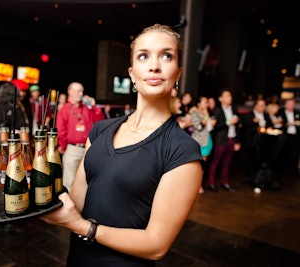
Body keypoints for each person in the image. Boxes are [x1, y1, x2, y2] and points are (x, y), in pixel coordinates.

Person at [42, 24, 203, 266]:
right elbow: (76, 201)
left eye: (166, 55)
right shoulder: (99, 130)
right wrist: (38, 199)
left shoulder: (182, 150)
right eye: (143, 56)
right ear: (131, 72)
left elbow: (156, 245)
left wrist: (81, 226)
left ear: (178, 73)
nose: (154, 65)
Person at [56, 82, 104, 191]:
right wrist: (62, 146)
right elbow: (61, 129)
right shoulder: (64, 109)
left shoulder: (86, 107)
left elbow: (100, 121)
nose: (81, 93)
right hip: (72, 149)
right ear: (70, 92)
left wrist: (93, 106)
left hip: (87, 148)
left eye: (82, 91)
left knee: (86, 182)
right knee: (70, 181)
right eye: (78, 91)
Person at [207, 89, 241, 192]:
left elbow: (238, 127)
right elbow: (215, 127)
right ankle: (211, 182)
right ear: (221, 99)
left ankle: (224, 182)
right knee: (215, 161)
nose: (230, 98)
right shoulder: (218, 110)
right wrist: (228, 122)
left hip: (231, 138)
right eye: (227, 96)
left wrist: (237, 141)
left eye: (230, 96)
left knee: (227, 163)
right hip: (221, 140)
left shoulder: (234, 109)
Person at [241, 98, 274, 182]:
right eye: (261, 105)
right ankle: (251, 177)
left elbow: (270, 125)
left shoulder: (266, 115)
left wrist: (269, 128)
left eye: (264, 105)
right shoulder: (249, 115)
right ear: (256, 106)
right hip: (252, 142)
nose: (263, 107)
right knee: (250, 160)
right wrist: (254, 123)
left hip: (264, 142)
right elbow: (245, 128)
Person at [190, 96, 216, 193]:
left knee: (202, 166)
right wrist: (205, 116)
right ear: (198, 104)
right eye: (205, 102)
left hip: (207, 140)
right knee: (196, 166)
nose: (207, 104)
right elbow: (199, 126)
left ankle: (198, 185)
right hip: (198, 142)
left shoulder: (207, 112)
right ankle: (195, 186)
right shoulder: (195, 113)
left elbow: (209, 127)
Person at [277, 98, 300, 177]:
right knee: (283, 152)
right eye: (290, 104)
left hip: (295, 136)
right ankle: (282, 171)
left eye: (293, 104)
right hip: (284, 136)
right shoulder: (280, 112)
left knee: (294, 153)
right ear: (285, 104)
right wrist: (285, 124)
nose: (292, 105)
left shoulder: (297, 113)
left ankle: (293, 171)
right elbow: (277, 123)